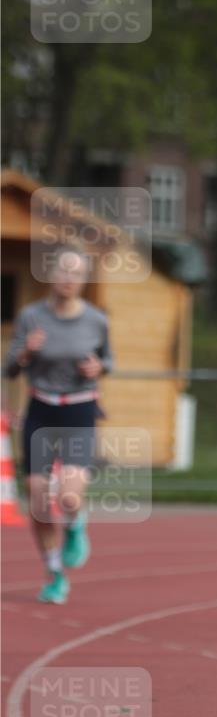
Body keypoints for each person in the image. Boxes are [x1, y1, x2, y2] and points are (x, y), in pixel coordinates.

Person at [4, 247, 113, 604]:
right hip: (41, 408)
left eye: (75, 272)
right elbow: (10, 368)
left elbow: (107, 360)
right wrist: (25, 353)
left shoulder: (96, 320)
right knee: (37, 500)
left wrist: (99, 368)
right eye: (62, 270)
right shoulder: (31, 317)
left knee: (67, 496)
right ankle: (54, 574)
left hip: (79, 410)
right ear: (51, 274)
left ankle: (76, 526)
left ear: (83, 281)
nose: (67, 278)